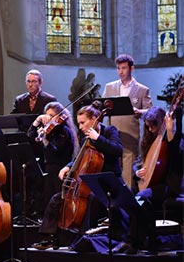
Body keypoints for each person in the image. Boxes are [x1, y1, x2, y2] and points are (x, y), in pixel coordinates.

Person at [32, 103, 123, 250]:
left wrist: (98, 138)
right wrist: (68, 166)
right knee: (57, 198)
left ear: (94, 119)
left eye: (82, 122)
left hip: (108, 181)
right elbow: (79, 158)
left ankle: (82, 239)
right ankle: (50, 237)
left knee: (93, 198)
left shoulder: (109, 131)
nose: (80, 127)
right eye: (78, 123)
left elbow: (117, 150)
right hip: (90, 181)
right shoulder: (85, 139)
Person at [118, 105, 183, 254]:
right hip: (151, 185)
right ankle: (139, 239)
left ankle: (141, 238)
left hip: (167, 186)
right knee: (133, 200)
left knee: (139, 199)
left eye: (153, 125)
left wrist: (171, 131)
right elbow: (139, 161)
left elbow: (177, 155)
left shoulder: (174, 139)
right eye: (148, 126)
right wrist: (137, 171)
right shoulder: (149, 141)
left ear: (161, 123)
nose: (151, 129)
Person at [103, 54, 152, 189]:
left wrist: (140, 111)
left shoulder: (142, 89)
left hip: (130, 137)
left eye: (124, 68)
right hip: (112, 137)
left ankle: (128, 204)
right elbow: (101, 106)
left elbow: (150, 111)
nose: (120, 72)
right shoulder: (110, 87)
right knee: (112, 171)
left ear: (132, 68)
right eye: (118, 68)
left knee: (127, 173)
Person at [27, 101, 78, 208]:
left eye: (51, 116)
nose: (48, 118)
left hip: (60, 169)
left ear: (59, 116)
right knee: (48, 201)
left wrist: (45, 140)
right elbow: (30, 135)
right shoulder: (48, 130)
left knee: (57, 201)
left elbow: (57, 151)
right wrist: (37, 121)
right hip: (49, 168)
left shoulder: (64, 131)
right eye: (46, 115)